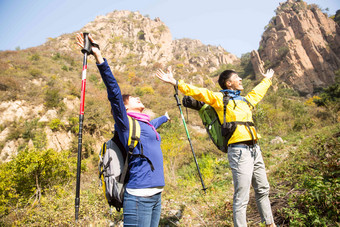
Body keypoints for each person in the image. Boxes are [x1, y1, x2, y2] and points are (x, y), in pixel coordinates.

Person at [155, 67, 276, 227]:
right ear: (229, 83)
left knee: (262, 189)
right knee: (242, 195)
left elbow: (257, 92)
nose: (241, 80)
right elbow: (200, 92)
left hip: (255, 149)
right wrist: (176, 83)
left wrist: (267, 79)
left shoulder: (245, 101)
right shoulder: (220, 99)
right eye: (237, 78)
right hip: (239, 151)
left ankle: (270, 224)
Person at [76, 33, 169, 227]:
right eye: (133, 98)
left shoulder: (146, 124)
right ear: (125, 108)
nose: (138, 97)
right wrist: (99, 57)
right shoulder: (126, 124)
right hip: (138, 197)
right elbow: (114, 92)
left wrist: (166, 118)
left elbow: (154, 126)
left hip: (156, 195)